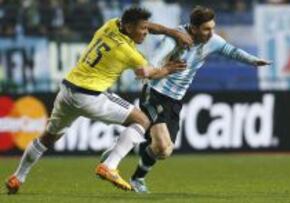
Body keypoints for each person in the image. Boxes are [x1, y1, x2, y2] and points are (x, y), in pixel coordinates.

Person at [5, 7, 192, 195]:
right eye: (142, 29)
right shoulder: (128, 52)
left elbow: (148, 26)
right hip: (90, 95)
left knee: (47, 138)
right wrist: (168, 69)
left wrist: (172, 32)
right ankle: (110, 165)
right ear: (128, 27)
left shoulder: (110, 25)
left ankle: (17, 177)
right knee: (142, 120)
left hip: (67, 91)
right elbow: (146, 73)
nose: (145, 32)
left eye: (146, 28)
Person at [101, 6, 271, 193]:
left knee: (164, 151)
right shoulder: (175, 39)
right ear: (194, 28)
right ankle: (137, 179)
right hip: (155, 94)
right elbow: (155, 61)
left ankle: (123, 146)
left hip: (175, 101)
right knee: (162, 143)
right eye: (207, 29)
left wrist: (254, 61)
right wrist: (151, 70)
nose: (211, 33)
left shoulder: (212, 41)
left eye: (212, 28)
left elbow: (231, 51)